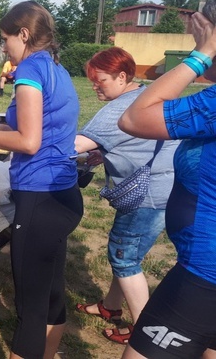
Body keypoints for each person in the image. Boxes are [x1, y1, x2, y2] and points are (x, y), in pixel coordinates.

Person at [0, 1, 82, 359]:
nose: (4, 47)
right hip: (63, 193)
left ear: (23, 35)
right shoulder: (57, 68)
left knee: (30, 309)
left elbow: (28, 141)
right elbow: (35, 127)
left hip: (39, 196)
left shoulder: (29, 71)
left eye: (6, 39)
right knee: (51, 295)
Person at [117, 0, 216, 359]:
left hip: (205, 275)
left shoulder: (213, 105)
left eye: (200, 33)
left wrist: (201, 54)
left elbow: (134, 117)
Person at [73, 47, 177, 345]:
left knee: (124, 257)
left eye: (100, 80)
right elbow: (137, 141)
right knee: (126, 253)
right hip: (161, 190)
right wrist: (104, 152)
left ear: (122, 76)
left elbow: (74, 145)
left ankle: (143, 332)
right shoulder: (140, 95)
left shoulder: (120, 107)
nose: (95, 86)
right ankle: (110, 307)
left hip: (147, 197)